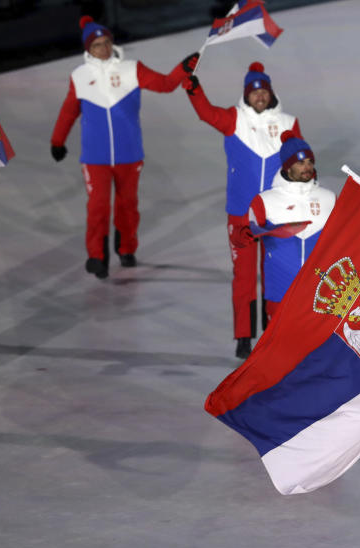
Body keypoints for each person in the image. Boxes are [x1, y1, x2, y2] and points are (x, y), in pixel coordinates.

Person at [50, 16, 186, 279]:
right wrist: (58, 141)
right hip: (95, 157)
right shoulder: (79, 76)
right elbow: (68, 112)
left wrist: (184, 68)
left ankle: (126, 249)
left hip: (129, 154)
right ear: (88, 49)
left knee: (127, 206)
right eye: (98, 45)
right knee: (98, 206)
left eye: (107, 42)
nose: (104, 48)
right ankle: (97, 257)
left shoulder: (132, 69)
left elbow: (166, 84)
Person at [181, 62, 301, 358]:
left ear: (271, 93)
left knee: (276, 272)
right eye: (253, 92)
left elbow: (299, 161)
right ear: (246, 95)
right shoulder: (233, 119)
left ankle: (272, 327)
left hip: (276, 214)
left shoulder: (288, 121)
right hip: (241, 214)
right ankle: (244, 335)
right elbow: (206, 113)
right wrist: (194, 89)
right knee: (244, 276)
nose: (259, 96)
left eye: (263, 91)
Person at [237, 131, 335, 324]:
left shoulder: (330, 198)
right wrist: (247, 234)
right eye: (300, 163)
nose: (306, 167)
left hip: (321, 295)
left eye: (309, 161)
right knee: (280, 352)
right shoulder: (264, 201)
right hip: (280, 293)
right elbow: (240, 237)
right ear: (287, 166)